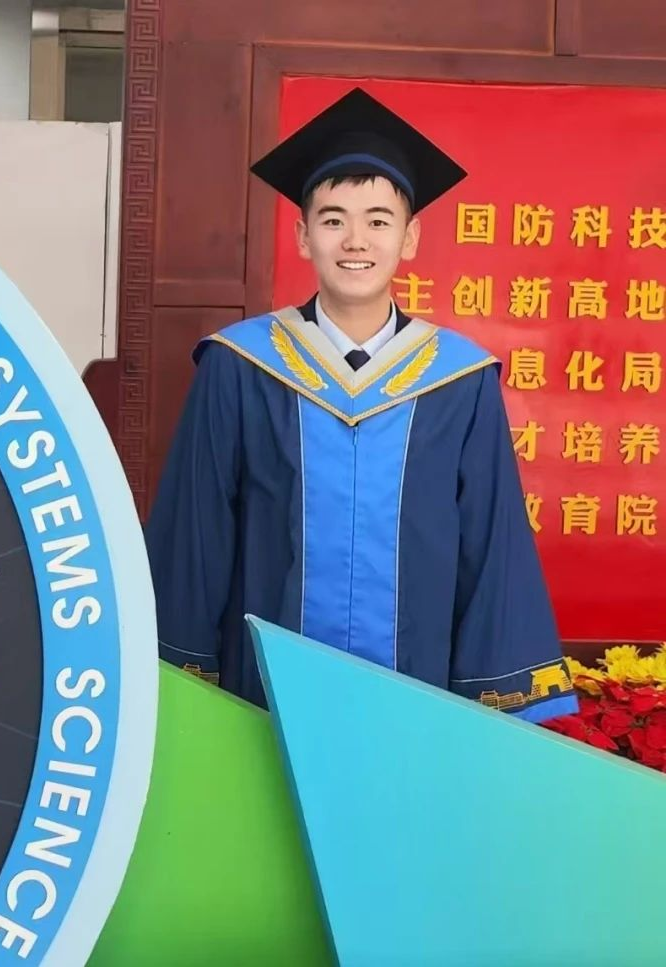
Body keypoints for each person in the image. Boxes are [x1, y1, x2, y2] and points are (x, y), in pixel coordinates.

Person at [145, 87, 577, 723]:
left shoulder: (459, 380)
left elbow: (493, 546)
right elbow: (195, 532)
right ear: (303, 236)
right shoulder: (239, 366)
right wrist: (179, 682)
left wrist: (491, 704)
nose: (355, 240)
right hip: (261, 699)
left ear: (409, 237)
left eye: (378, 221)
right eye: (332, 220)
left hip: (418, 700)